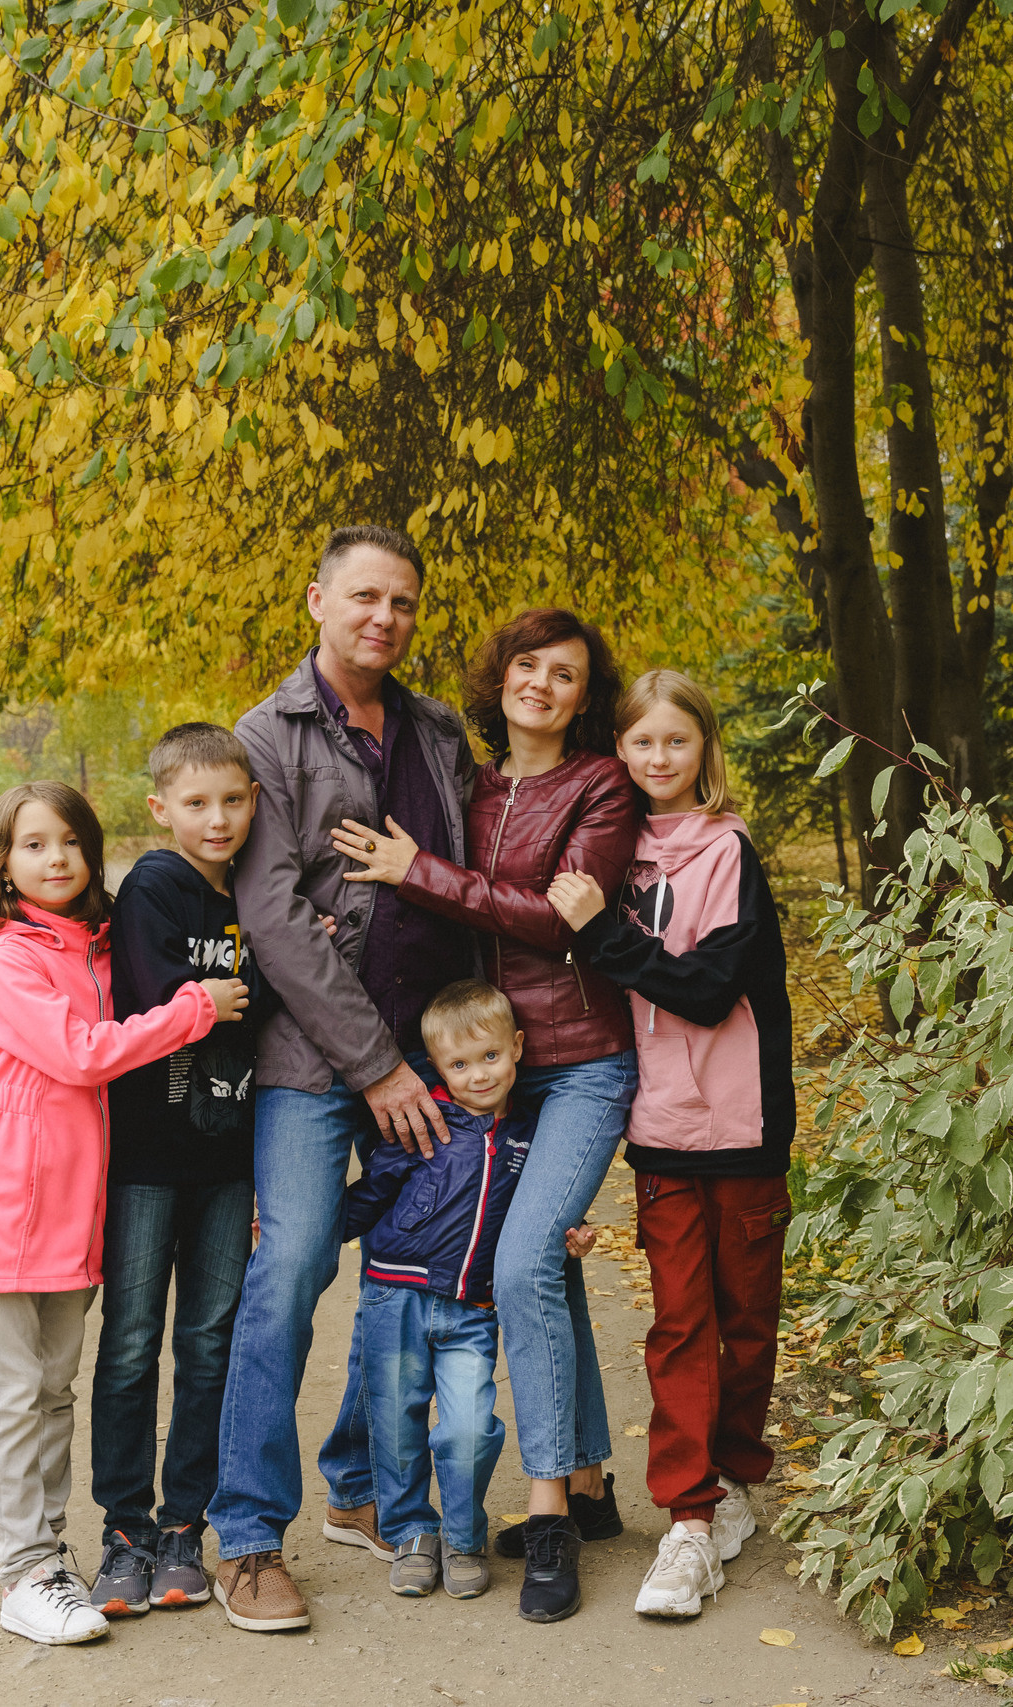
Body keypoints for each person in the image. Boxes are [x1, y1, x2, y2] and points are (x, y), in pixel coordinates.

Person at [331, 606, 642, 1623]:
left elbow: (561, 921)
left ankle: (546, 1511)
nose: (541, 684)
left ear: (584, 697)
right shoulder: (470, 785)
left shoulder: (599, 785)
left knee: (514, 1264)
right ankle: (590, 1487)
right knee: (543, 1262)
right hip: (487, 1066)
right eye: (526, 666)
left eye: (565, 674)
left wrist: (419, 870)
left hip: (581, 1059)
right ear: (498, 676)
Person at [207, 523, 479, 1635]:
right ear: (317, 599)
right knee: (295, 1268)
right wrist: (372, 1068)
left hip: (435, 1049)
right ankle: (248, 1538)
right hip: (318, 1064)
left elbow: (465, 878)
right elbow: (270, 912)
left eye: (403, 603)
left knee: (412, 1269)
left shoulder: (439, 730)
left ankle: (361, 1488)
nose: (384, 618)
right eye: (364, 597)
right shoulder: (266, 736)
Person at [0, 781, 250, 1647]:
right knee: (8, 1399)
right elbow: (80, 1054)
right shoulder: (9, 956)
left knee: (54, 1393)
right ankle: (24, 1574)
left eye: (69, 841)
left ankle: (50, 1556)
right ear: (3, 863)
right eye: (33, 845)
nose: (56, 858)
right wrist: (194, 1008)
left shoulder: (99, 947)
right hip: (2, 1209)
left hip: (73, 1214)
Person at [545, 670, 796, 1621]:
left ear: (704, 751)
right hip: (659, 1127)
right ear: (619, 751)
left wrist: (601, 934)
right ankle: (688, 1517)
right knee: (681, 1322)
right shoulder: (611, 851)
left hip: (741, 1126)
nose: (657, 760)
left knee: (746, 1321)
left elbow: (705, 987)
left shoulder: (729, 849)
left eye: (675, 744)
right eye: (640, 744)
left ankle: (733, 1477)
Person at [86, 725, 276, 1619]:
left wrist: (241, 995)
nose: (218, 818)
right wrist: (223, 1000)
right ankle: (123, 1530)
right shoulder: (156, 887)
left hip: (228, 1155)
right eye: (197, 803)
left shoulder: (257, 891)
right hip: (147, 1161)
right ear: (161, 809)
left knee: (208, 1342)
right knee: (130, 1343)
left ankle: (183, 1529)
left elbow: (280, 995)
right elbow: (158, 998)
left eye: (233, 800)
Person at [335, 980, 605, 1601]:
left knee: (469, 1428)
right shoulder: (420, 1122)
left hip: (471, 1310)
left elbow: (545, 1211)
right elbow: (369, 1195)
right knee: (396, 1423)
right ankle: (410, 1533)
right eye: (459, 1064)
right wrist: (309, 1223)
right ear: (438, 1068)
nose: (478, 1076)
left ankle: (463, 1536)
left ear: (517, 1047)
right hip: (394, 1297)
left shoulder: (532, 1136)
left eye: (490, 1057)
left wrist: (574, 1236)